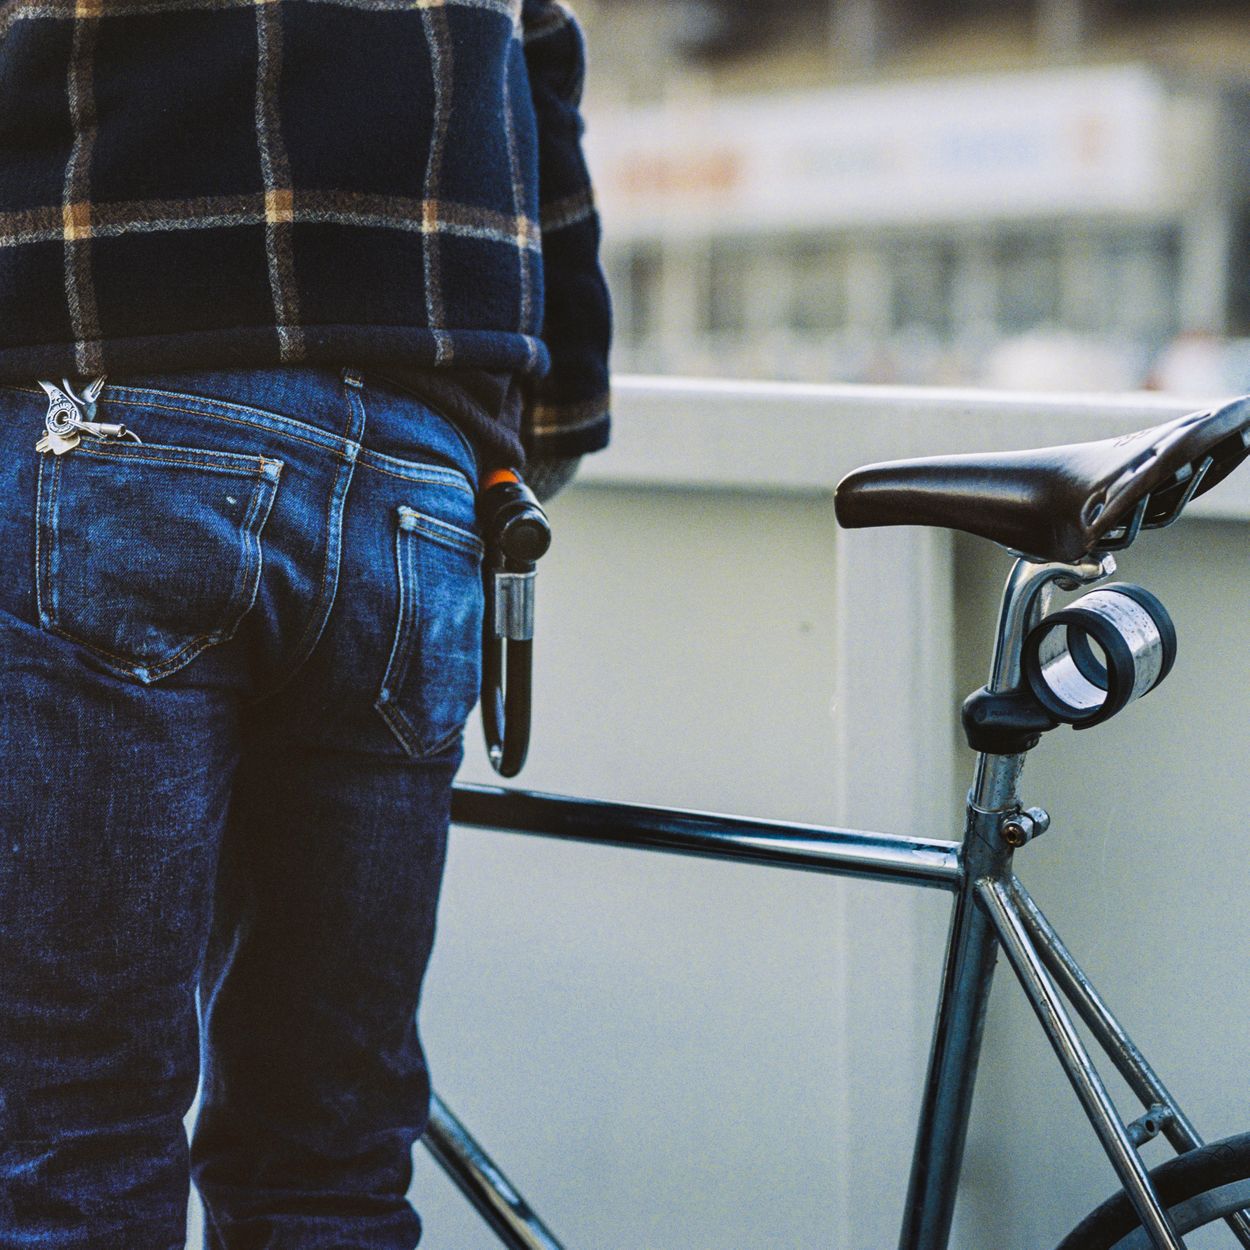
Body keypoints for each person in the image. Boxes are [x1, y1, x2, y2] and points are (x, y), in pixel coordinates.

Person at [0, 1, 610, 1246]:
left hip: (112, 400)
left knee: (74, 1138)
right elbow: (545, 94)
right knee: (327, 1158)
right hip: (424, 480)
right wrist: (526, 435)